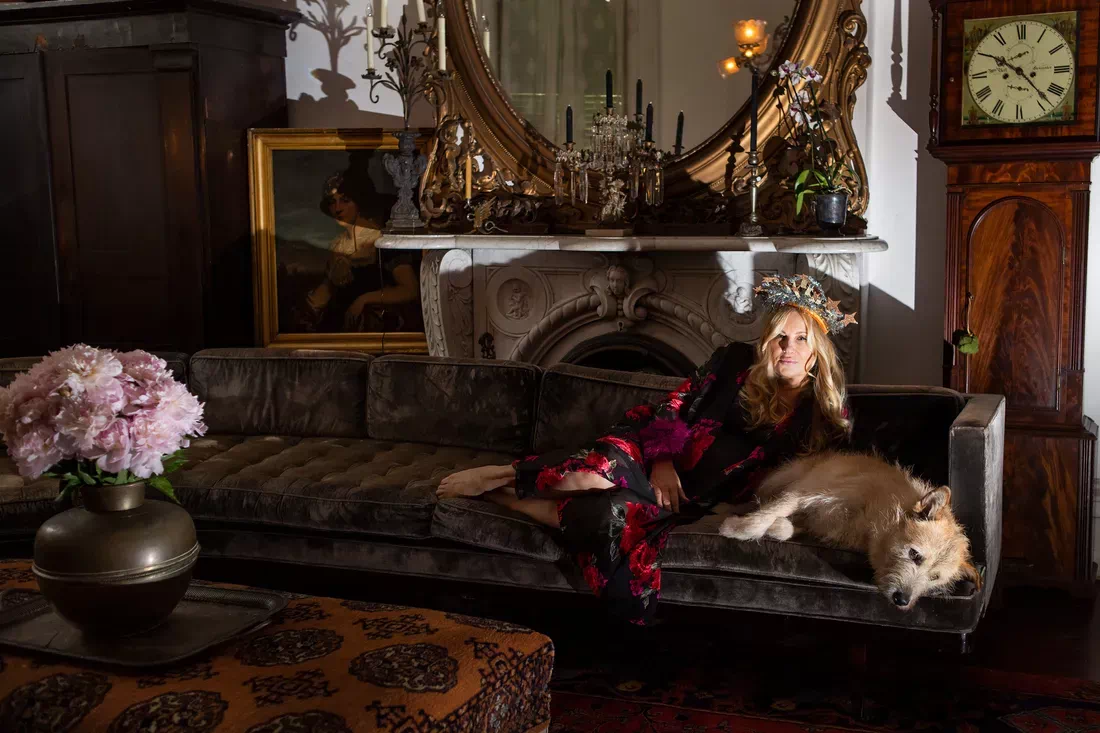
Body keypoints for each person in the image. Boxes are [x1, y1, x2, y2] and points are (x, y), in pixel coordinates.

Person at [437, 274, 857, 625]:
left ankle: (502, 497)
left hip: (690, 496)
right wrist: (662, 460)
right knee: (594, 472)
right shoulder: (733, 362)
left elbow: (821, 479)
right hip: (650, 451)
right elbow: (672, 405)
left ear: (817, 350)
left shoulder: (823, 413)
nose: (788, 347)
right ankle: (503, 474)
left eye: (801, 339)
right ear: (766, 341)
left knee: (610, 514)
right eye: (780, 336)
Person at [295, 167, 420, 333]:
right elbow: (328, 290)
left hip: (375, 325)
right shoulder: (337, 244)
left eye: (345, 200)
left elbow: (410, 290)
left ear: (359, 201)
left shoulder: (382, 240)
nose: (338, 208)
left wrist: (365, 299)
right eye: (332, 202)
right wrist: (308, 308)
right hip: (341, 324)